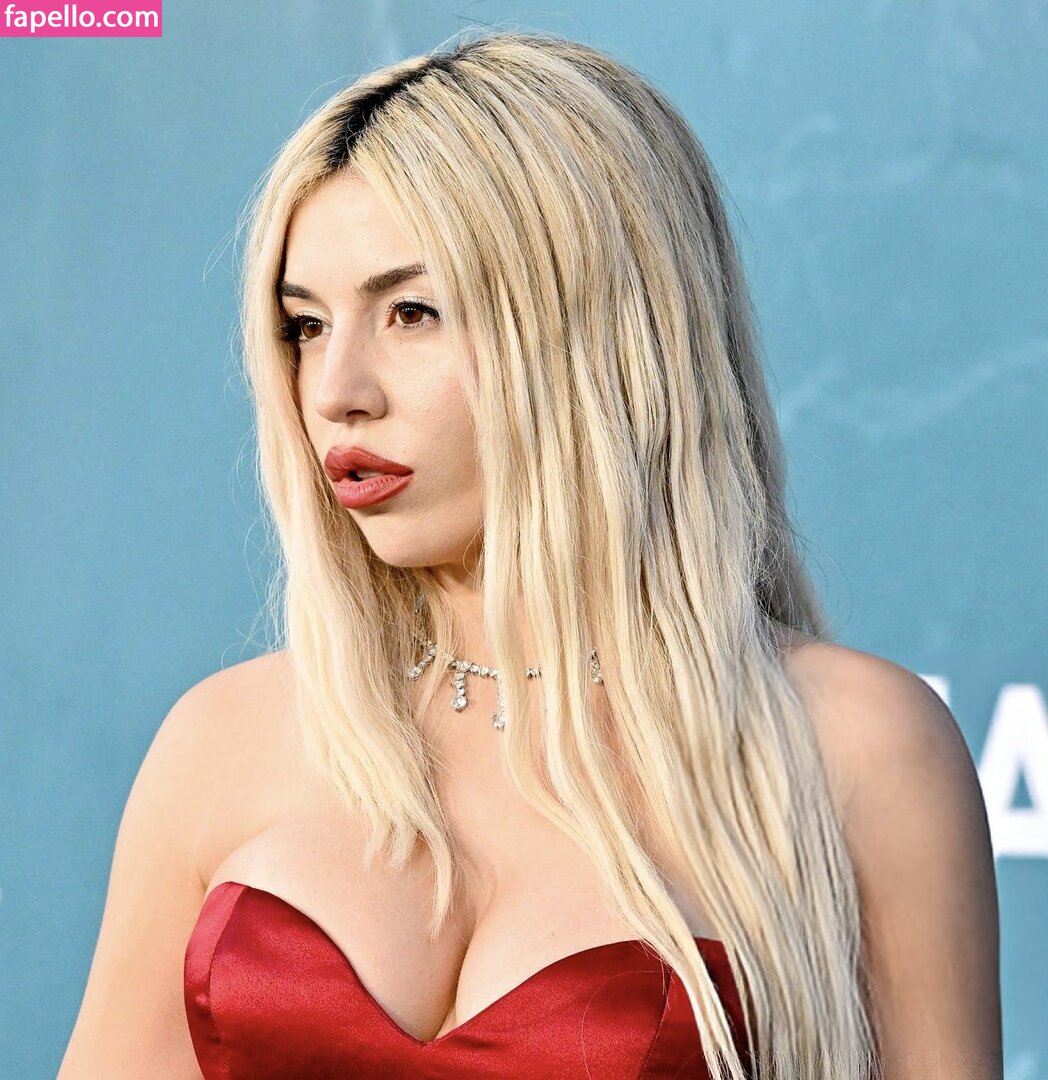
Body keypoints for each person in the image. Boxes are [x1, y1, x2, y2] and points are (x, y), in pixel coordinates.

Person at [59, 27, 1002, 1080]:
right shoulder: (222, 741)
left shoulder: (851, 749)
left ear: (599, 334)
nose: (335, 391)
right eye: (306, 326)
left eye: (411, 312)